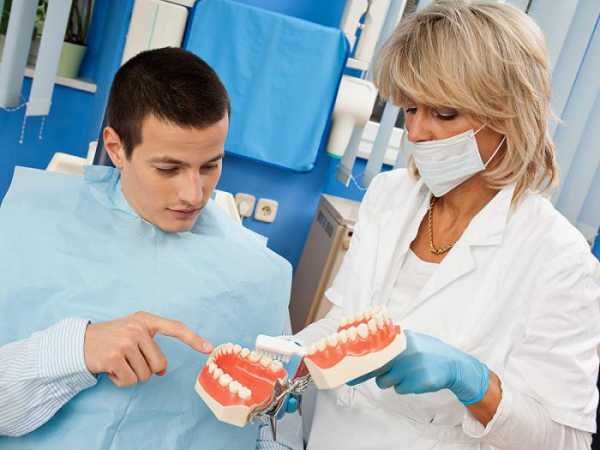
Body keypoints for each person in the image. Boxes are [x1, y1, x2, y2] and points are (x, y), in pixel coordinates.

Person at [291, 2, 600, 449]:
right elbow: (343, 324)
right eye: (410, 109)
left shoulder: (557, 256)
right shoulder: (389, 195)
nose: (417, 132)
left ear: (509, 114)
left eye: (444, 114)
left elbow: (565, 440)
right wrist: (288, 362)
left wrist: (472, 381)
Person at [0, 48, 291, 450]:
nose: (194, 194)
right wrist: (76, 350)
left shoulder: (258, 274)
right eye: (169, 169)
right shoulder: (26, 230)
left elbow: (275, 433)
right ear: (116, 148)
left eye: (210, 166)